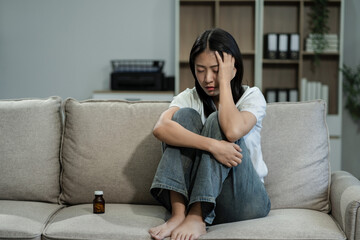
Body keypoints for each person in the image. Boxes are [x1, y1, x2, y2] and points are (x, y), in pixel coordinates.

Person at [148, 28, 271, 240]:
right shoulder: (190, 97)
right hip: (198, 195)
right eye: (200, 70)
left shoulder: (252, 97)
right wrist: (212, 145)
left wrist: (224, 83)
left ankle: (197, 216)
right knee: (183, 117)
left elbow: (232, 131)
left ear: (232, 68)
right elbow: (161, 128)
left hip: (245, 199)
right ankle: (179, 215)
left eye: (215, 70)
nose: (207, 79)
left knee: (218, 120)